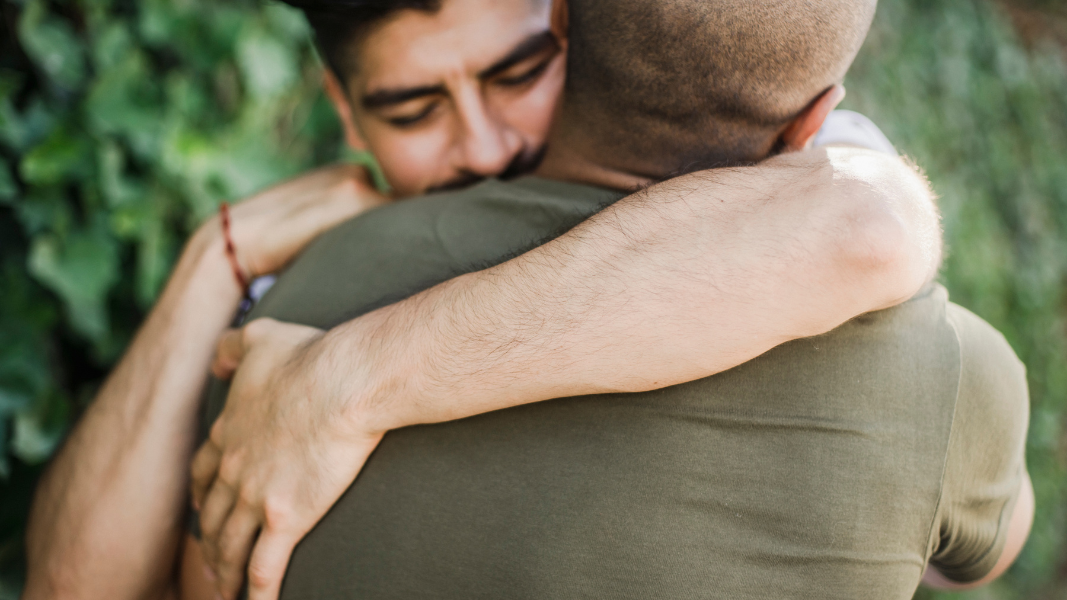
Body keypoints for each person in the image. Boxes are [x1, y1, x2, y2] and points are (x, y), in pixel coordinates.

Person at [19, 0, 1027, 599]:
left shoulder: (773, 174)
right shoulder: (286, 276)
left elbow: (865, 225)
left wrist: (345, 382)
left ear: (570, 27)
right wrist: (214, 261)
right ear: (344, 112)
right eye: (412, 108)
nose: (484, 147)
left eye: (516, 73)